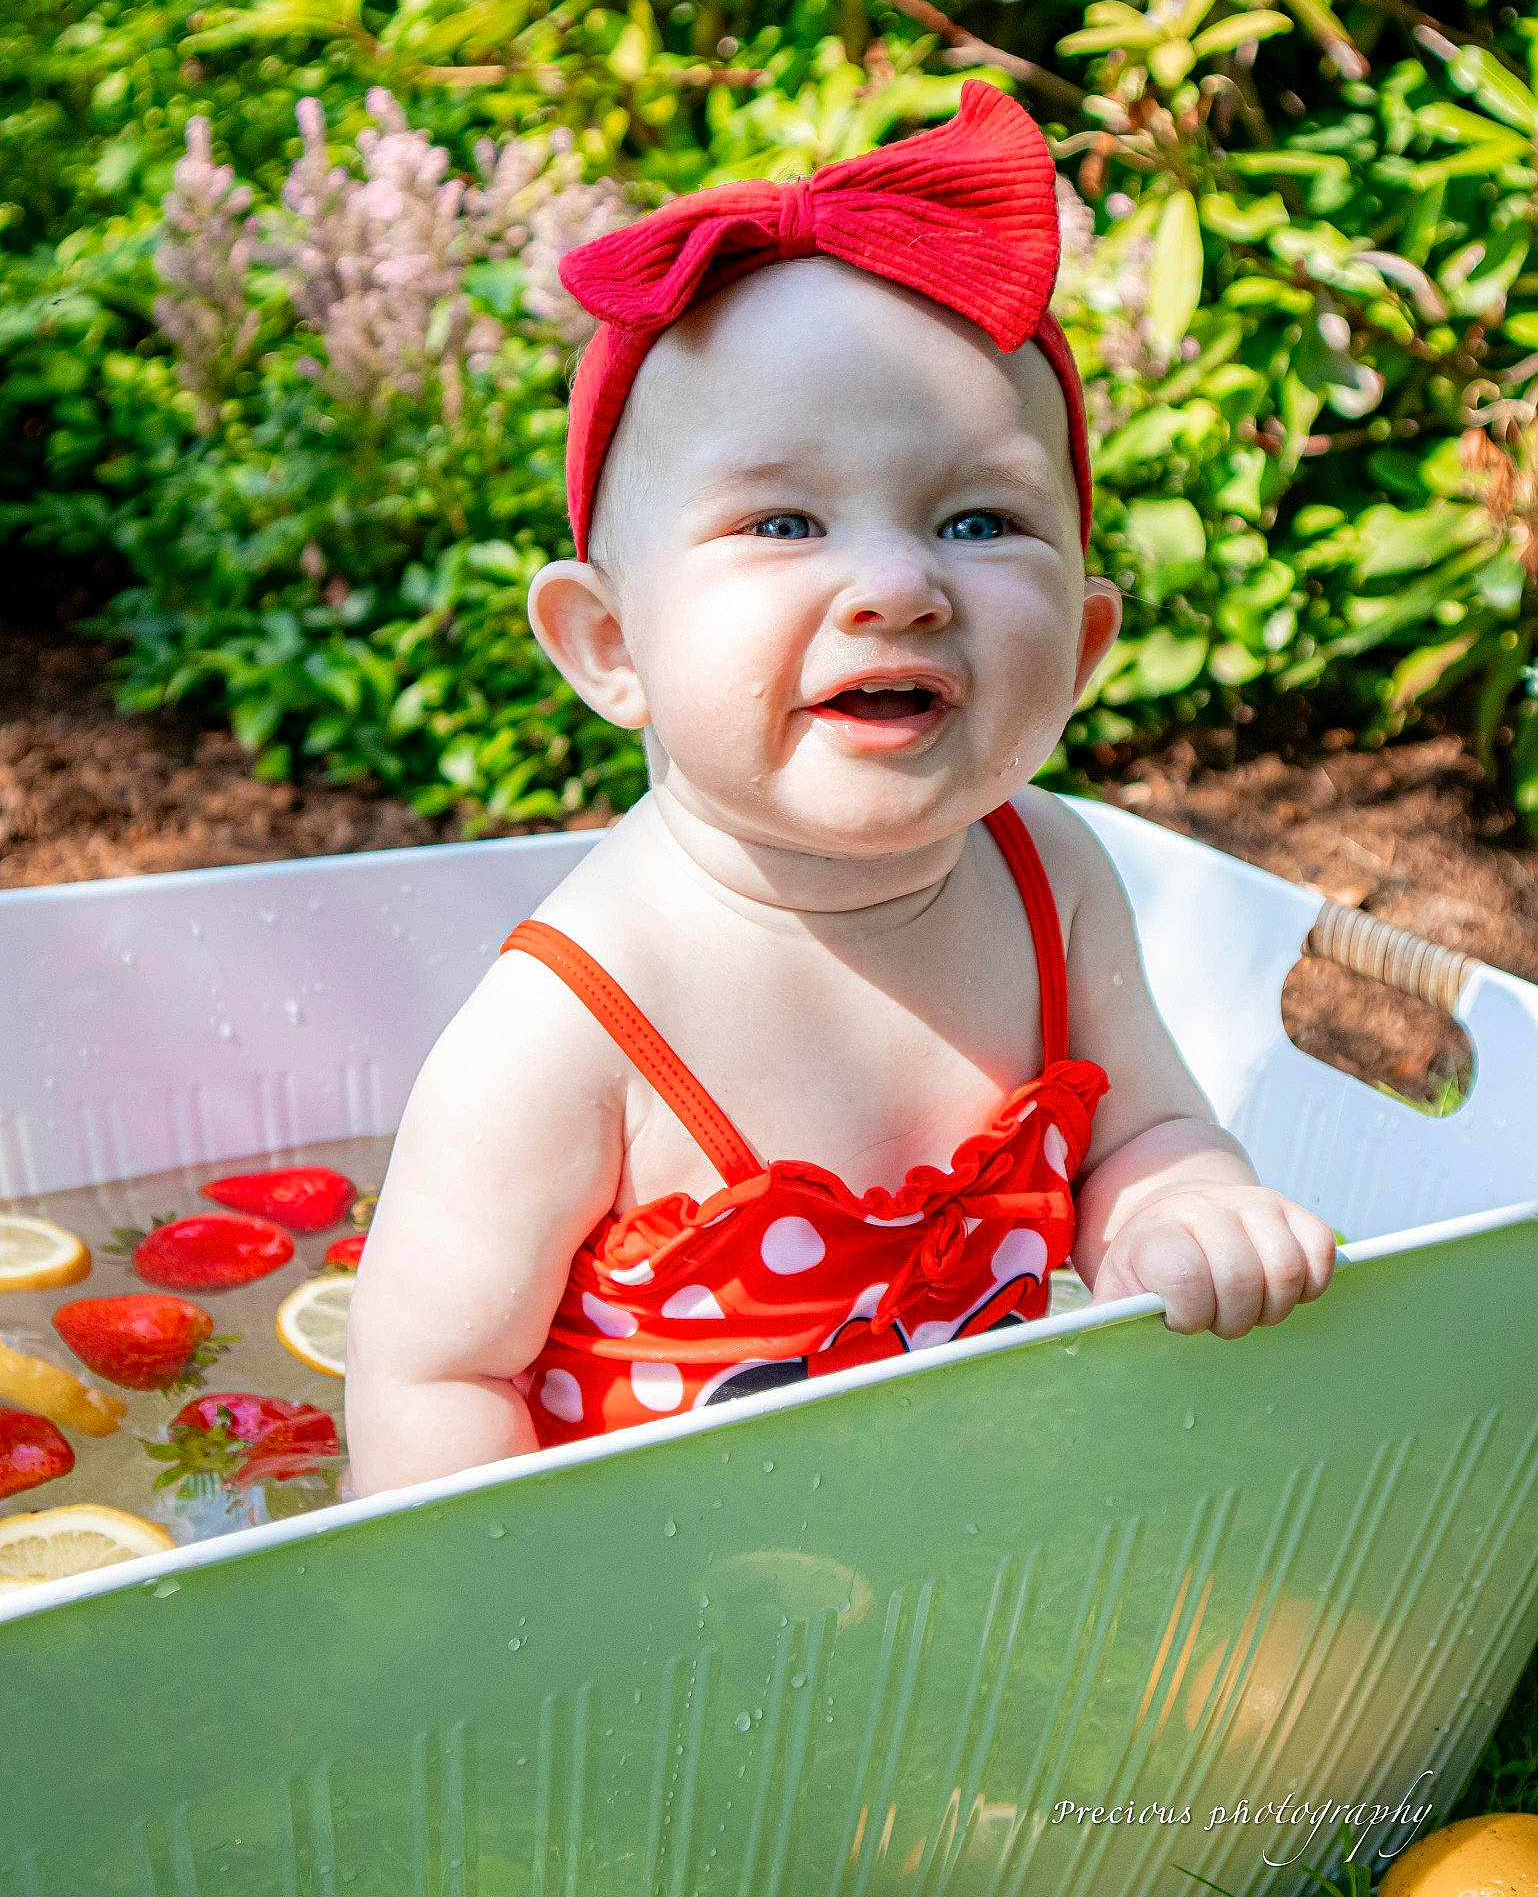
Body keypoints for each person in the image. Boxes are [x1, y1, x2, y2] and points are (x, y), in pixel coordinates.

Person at [344, 83, 1335, 1495]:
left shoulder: (1049, 877)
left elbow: (1145, 1129)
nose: (897, 586)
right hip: (652, 1599)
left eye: (978, 520)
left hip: (946, 1531)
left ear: (1084, 646)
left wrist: (1183, 1208)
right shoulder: (569, 1022)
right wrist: (463, 1642)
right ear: (608, 645)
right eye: (783, 521)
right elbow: (432, 1377)